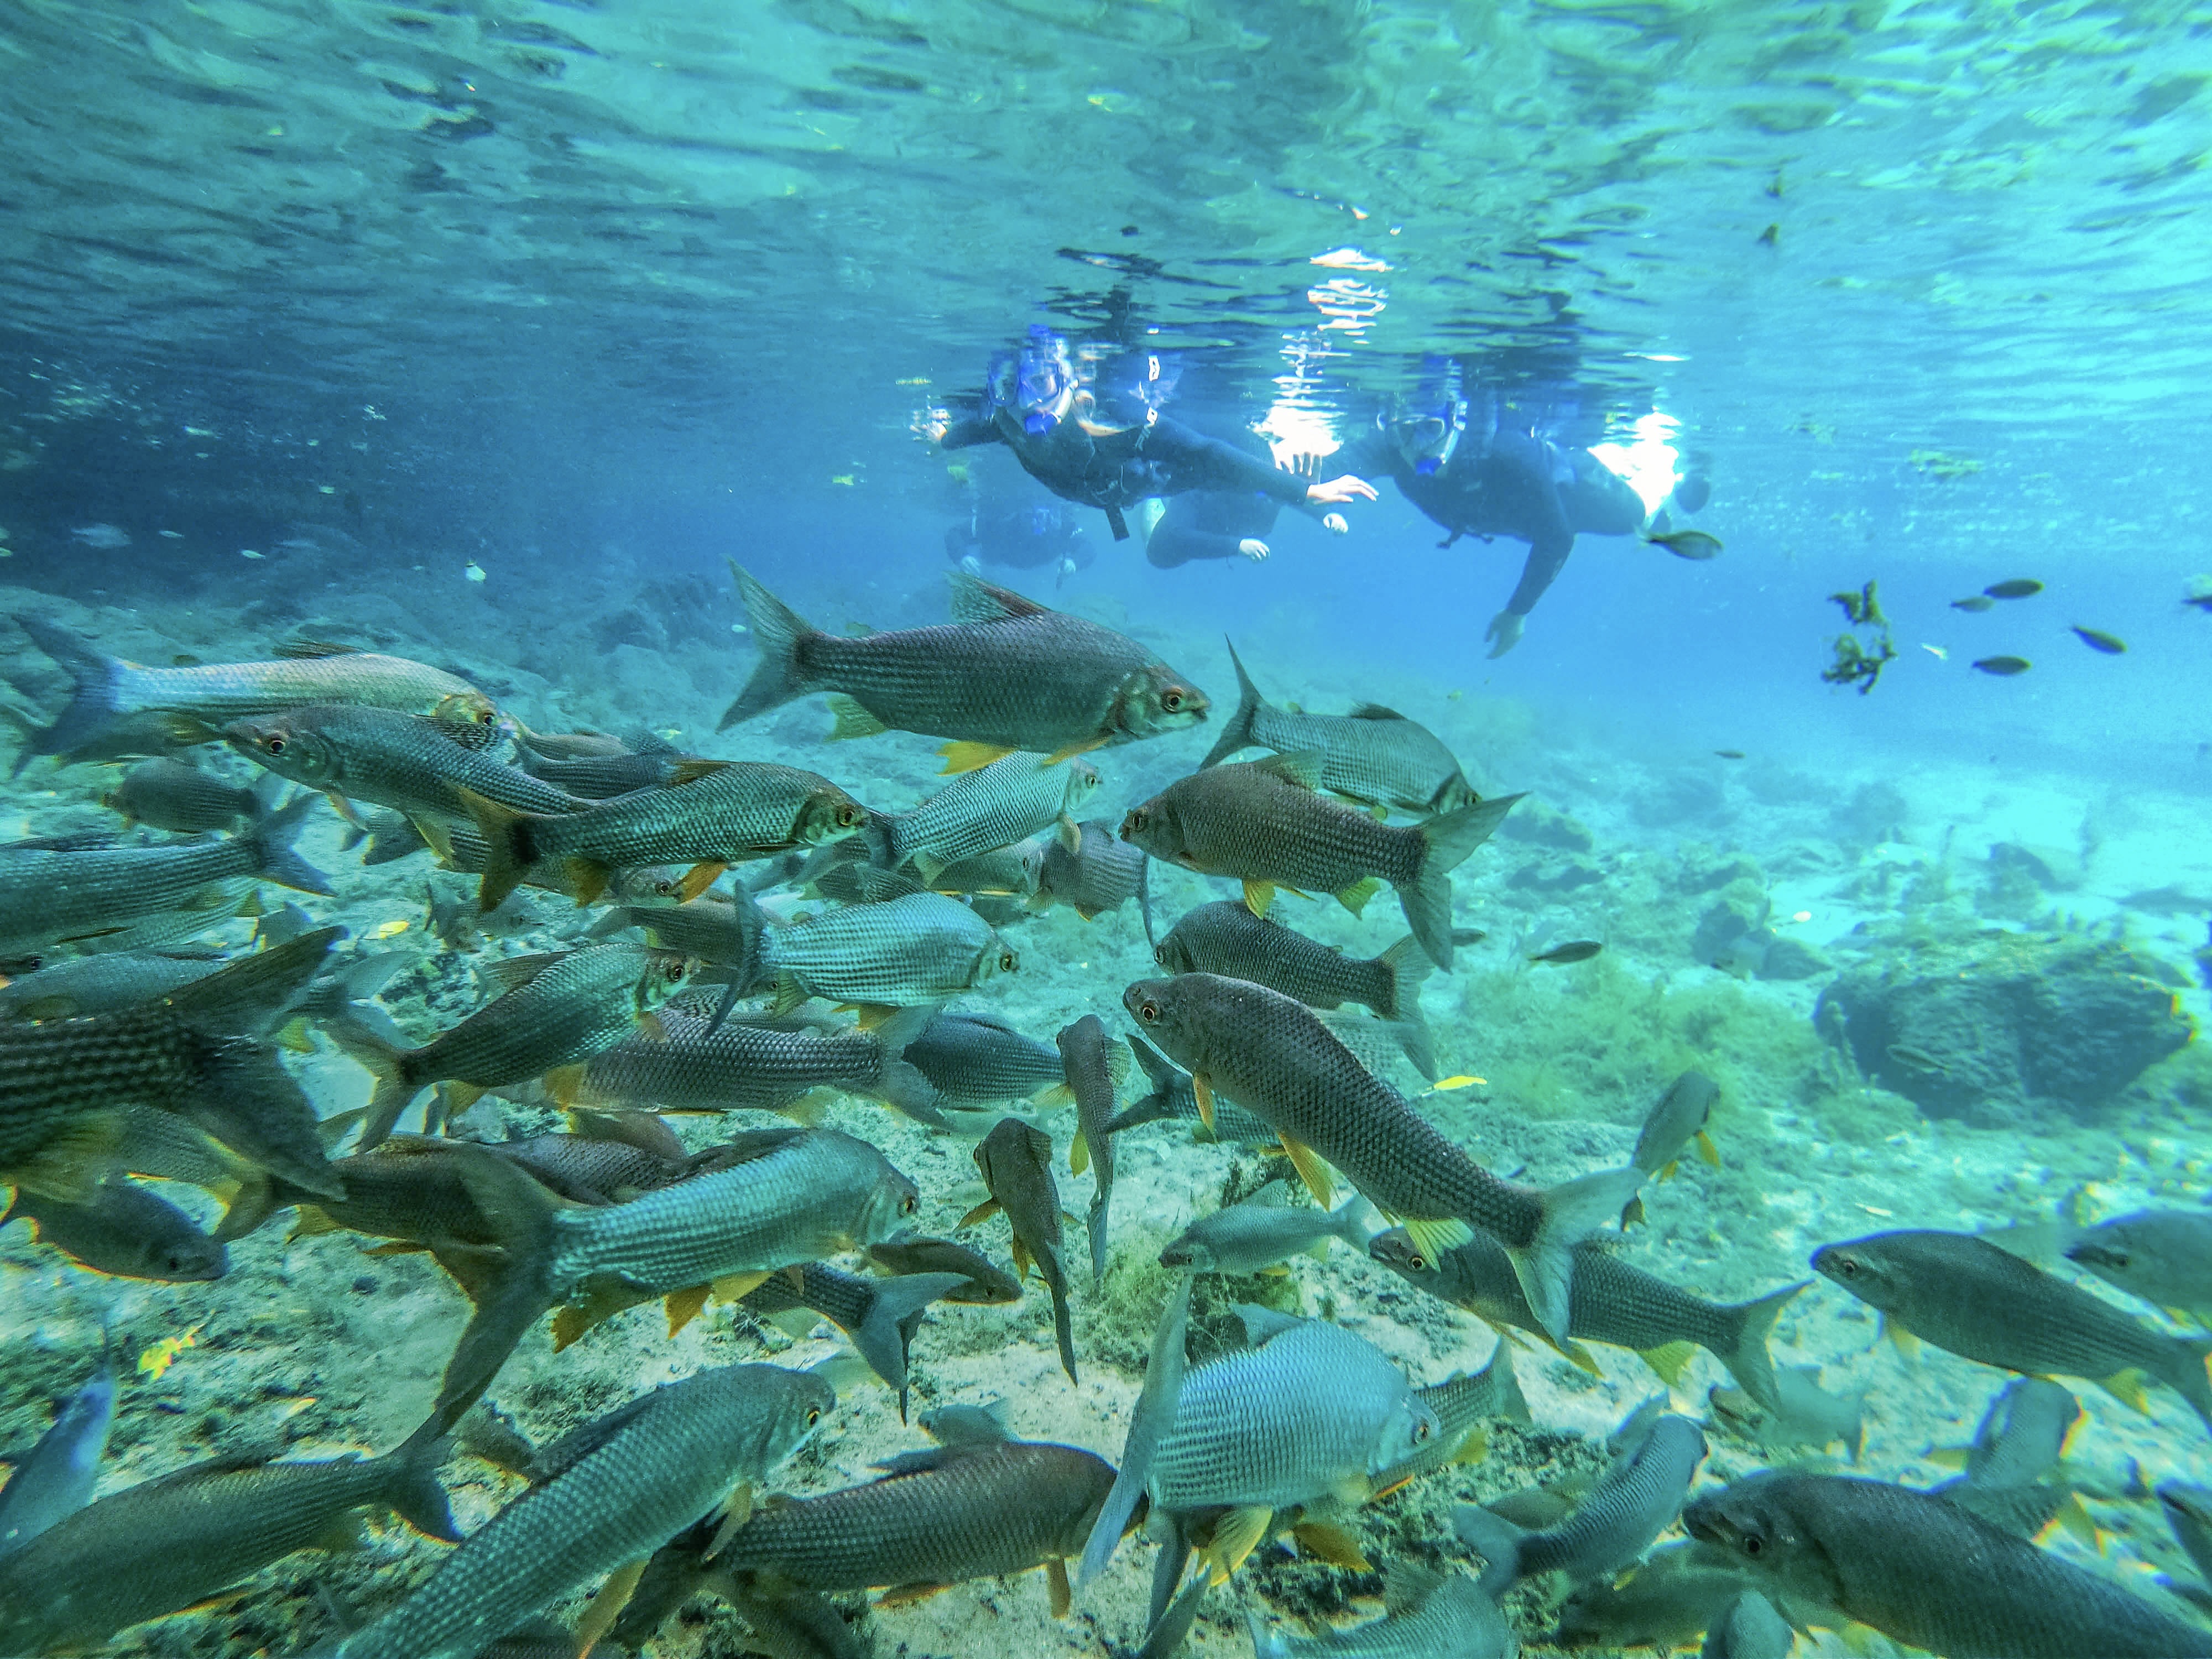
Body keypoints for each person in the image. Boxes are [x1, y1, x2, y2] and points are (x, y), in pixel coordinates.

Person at [1336, 360, 1709, 656]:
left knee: (1636, 515)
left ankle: (1672, 468)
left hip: (1585, 492)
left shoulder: (1507, 455)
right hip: (1525, 512)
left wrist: (1517, 613)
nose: (1417, 447)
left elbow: (1558, 539)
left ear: (1452, 424)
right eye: (1405, 433)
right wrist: (1303, 485)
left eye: (1431, 429)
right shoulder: (1395, 453)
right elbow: (1340, 462)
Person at [922, 327, 1374, 542]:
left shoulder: (1118, 415)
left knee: (1245, 462)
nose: (1028, 401)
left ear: (1069, 377)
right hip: (1123, 492)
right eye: (1014, 388)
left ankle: (1299, 472)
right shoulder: (1009, 422)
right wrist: (942, 438)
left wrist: (1304, 494)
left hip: (1172, 473)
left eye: (1040, 382)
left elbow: (1207, 452)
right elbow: (972, 433)